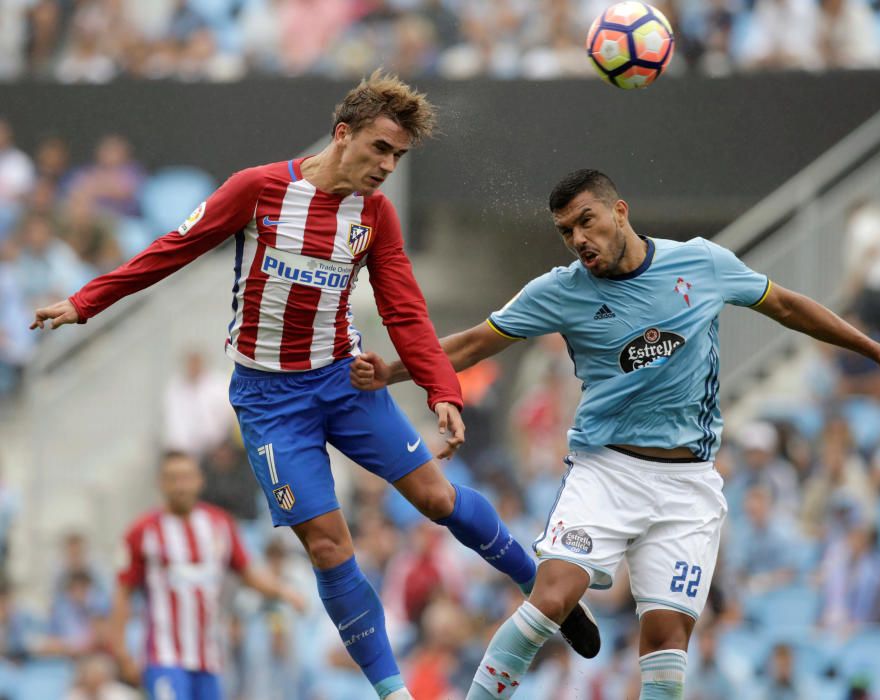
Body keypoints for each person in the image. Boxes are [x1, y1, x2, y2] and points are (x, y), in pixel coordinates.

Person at [31, 73, 597, 699]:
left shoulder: (375, 215)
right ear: (342, 133)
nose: (387, 166)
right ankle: (393, 692)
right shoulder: (259, 190)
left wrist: (443, 393)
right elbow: (174, 248)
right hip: (271, 403)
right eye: (380, 149)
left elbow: (404, 309)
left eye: (398, 157)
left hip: (343, 381)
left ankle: (541, 589)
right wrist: (85, 302)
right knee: (329, 545)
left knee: (437, 499)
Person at [350, 169, 880, 699]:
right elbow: (477, 340)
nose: (579, 239)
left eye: (586, 221)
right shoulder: (561, 291)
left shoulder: (703, 263)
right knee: (553, 595)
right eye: (566, 231)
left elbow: (790, 306)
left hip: (689, 484)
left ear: (620, 211)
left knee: (665, 641)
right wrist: (395, 370)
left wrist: (879, 353)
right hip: (605, 470)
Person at [108, 451, 306, 700]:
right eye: (173, 478)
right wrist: (122, 652)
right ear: (161, 482)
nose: (180, 486)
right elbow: (122, 593)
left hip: (209, 658)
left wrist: (284, 592)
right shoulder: (142, 531)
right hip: (165, 657)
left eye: (186, 477)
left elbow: (248, 572)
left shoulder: (219, 524)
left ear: (199, 480)